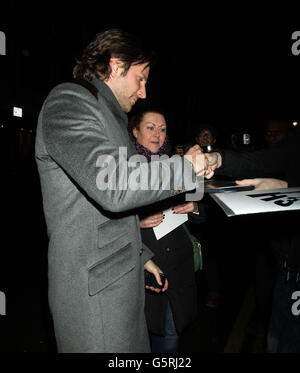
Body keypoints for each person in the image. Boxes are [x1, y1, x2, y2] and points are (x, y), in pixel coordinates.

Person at [35, 28, 211, 353]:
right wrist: (185, 169)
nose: (143, 93)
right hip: (96, 300)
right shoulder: (69, 100)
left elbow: (101, 215)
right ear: (115, 66)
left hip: (120, 288)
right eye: (140, 78)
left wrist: (143, 257)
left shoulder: (108, 115)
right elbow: (113, 185)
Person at [206, 127, 300, 352]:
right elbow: (262, 161)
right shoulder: (293, 146)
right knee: (274, 339)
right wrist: (217, 158)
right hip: (287, 267)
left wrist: (287, 186)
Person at [128, 108, 202, 353]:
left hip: (176, 271)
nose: (157, 135)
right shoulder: (120, 170)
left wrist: (195, 207)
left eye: (162, 129)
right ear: (134, 131)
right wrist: (136, 222)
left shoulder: (179, 165)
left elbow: (202, 217)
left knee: (169, 338)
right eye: (150, 127)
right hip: (139, 269)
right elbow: (100, 220)